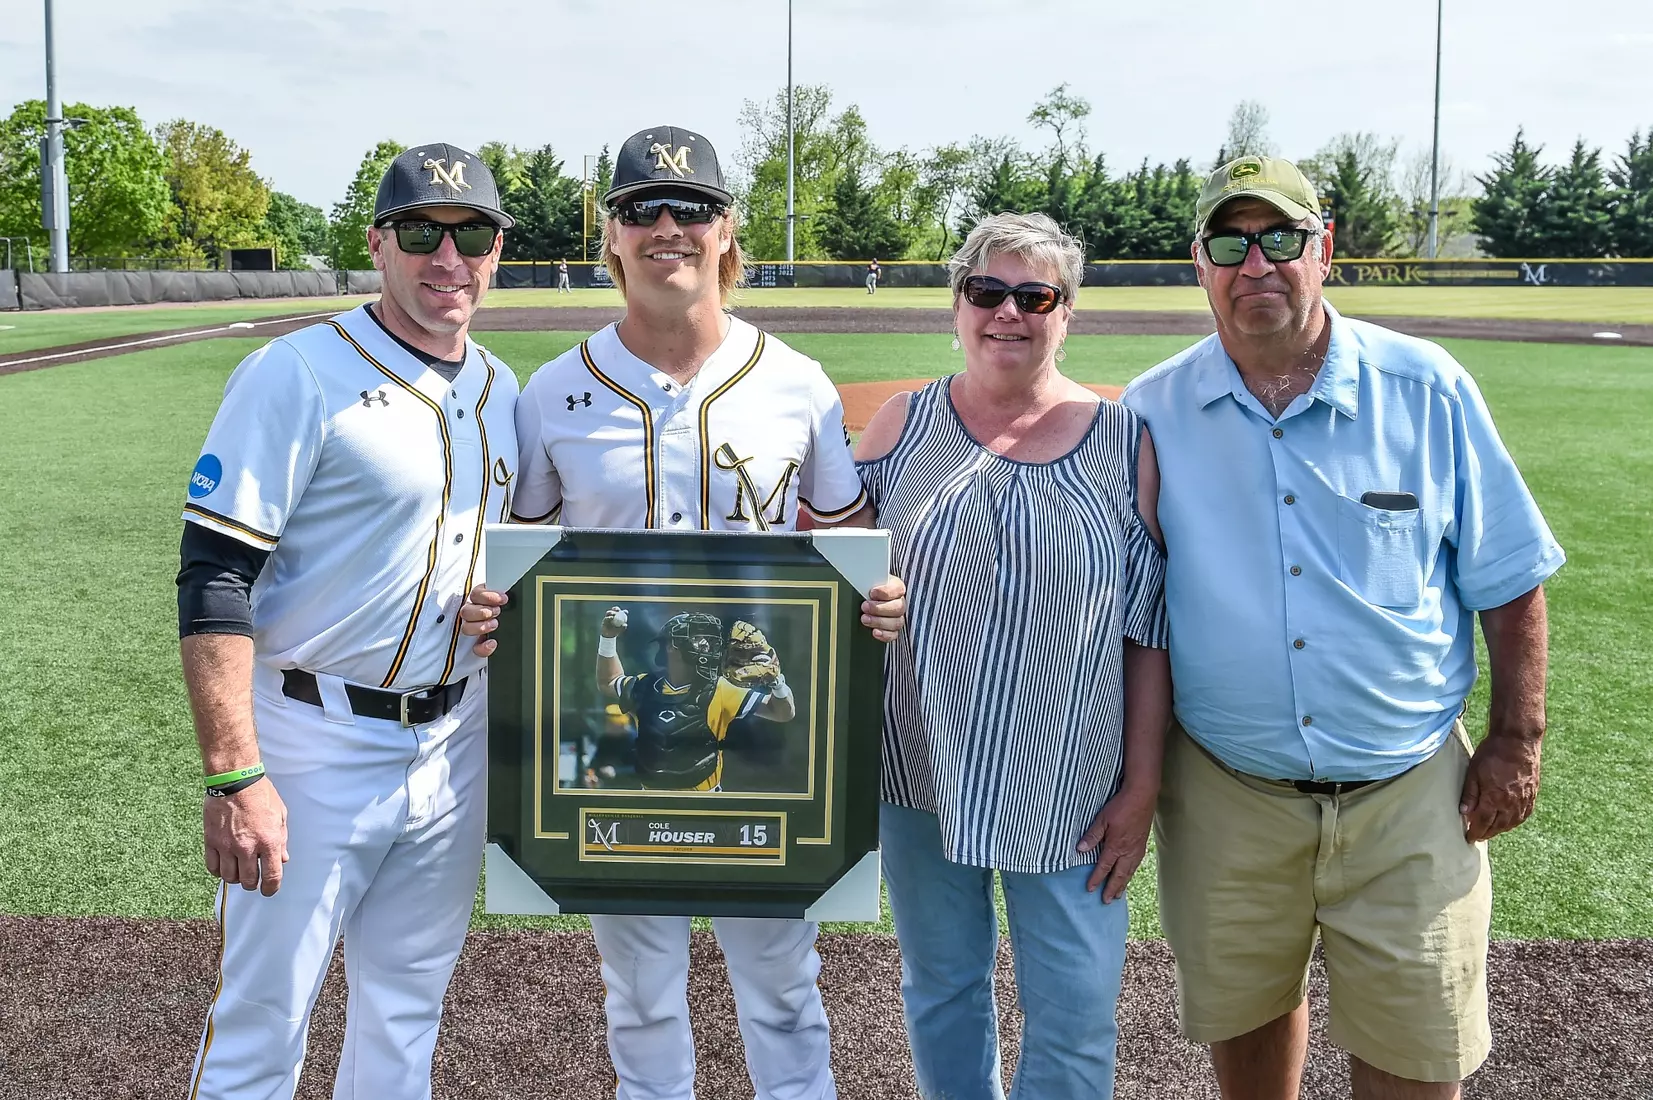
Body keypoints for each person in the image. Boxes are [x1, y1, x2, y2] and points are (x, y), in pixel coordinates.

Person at [458, 124, 906, 1100]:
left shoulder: (796, 383)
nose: (668, 227)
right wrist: (498, 606)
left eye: (691, 208)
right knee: (641, 990)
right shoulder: (554, 391)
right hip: (618, 736)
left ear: (726, 228)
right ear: (610, 234)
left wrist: (872, 598)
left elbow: (847, 544)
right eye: (640, 210)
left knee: (785, 983)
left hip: (760, 742)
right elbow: (528, 563)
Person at [1123, 155, 1565, 1100]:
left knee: (1417, 1055)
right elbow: (1127, 603)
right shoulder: (1151, 410)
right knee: (1245, 1026)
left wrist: (1515, 741)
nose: (1257, 266)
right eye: (1230, 244)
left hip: (1409, 792)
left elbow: (1510, 577)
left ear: (1323, 251)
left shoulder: (1425, 387)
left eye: (1280, 239)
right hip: (1226, 790)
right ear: (1197, 264)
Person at [175, 142, 518, 1099]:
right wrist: (235, 773)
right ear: (378, 242)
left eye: (472, 236)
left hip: (455, 741)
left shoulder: (503, 390)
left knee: (407, 1011)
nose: (447, 259)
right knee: (261, 1018)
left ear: (497, 250)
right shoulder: (296, 373)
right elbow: (213, 577)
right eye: (422, 232)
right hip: (311, 736)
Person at [853, 211, 1172, 1100]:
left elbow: (1147, 629)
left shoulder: (1122, 439)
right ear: (954, 304)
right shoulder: (899, 425)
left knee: (1075, 1011)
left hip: (1071, 784)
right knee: (942, 990)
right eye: (985, 291)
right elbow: (828, 576)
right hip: (920, 770)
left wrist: (1140, 788)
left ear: (1066, 311)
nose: (1007, 313)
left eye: (1034, 295)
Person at [596, 608, 794, 790]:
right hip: (652, 806)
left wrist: (777, 683)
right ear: (673, 646)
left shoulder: (721, 688)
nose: (707, 644)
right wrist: (608, 638)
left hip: (704, 809)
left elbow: (782, 713)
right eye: (697, 638)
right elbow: (609, 681)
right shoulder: (644, 687)